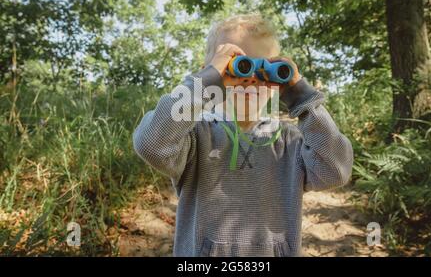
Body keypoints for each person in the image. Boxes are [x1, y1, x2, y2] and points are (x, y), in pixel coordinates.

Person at [133, 14, 353, 256]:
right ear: (209, 73)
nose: (249, 80)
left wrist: (303, 97)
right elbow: (151, 143)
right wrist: (205, 83)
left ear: (278, 81)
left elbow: (335, 170)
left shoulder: (290, 142)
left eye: (264, 68)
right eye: (237, 66)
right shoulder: (195, 136)